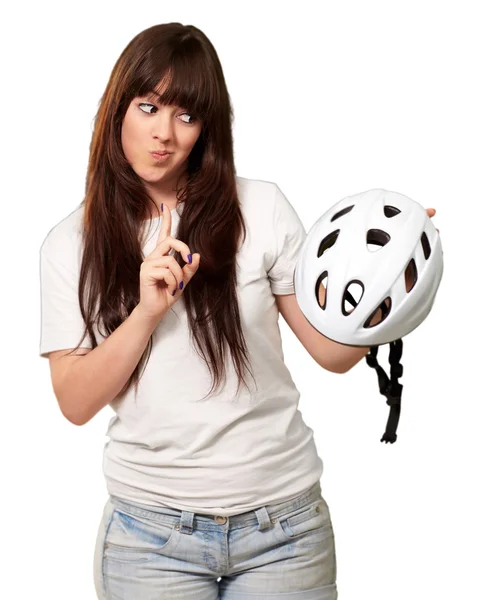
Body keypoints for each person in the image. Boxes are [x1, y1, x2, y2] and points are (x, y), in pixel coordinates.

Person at [39, 22, 437, 599]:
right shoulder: (70, 243)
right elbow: (75, 402)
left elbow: (332, 352)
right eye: (148, 107)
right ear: (116, 110)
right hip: (149, 538)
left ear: (208, 127)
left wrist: (391, 279)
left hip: (285, 529)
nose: (163, 135)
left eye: (186, 116)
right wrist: (146, 313)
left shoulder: (261, 207)